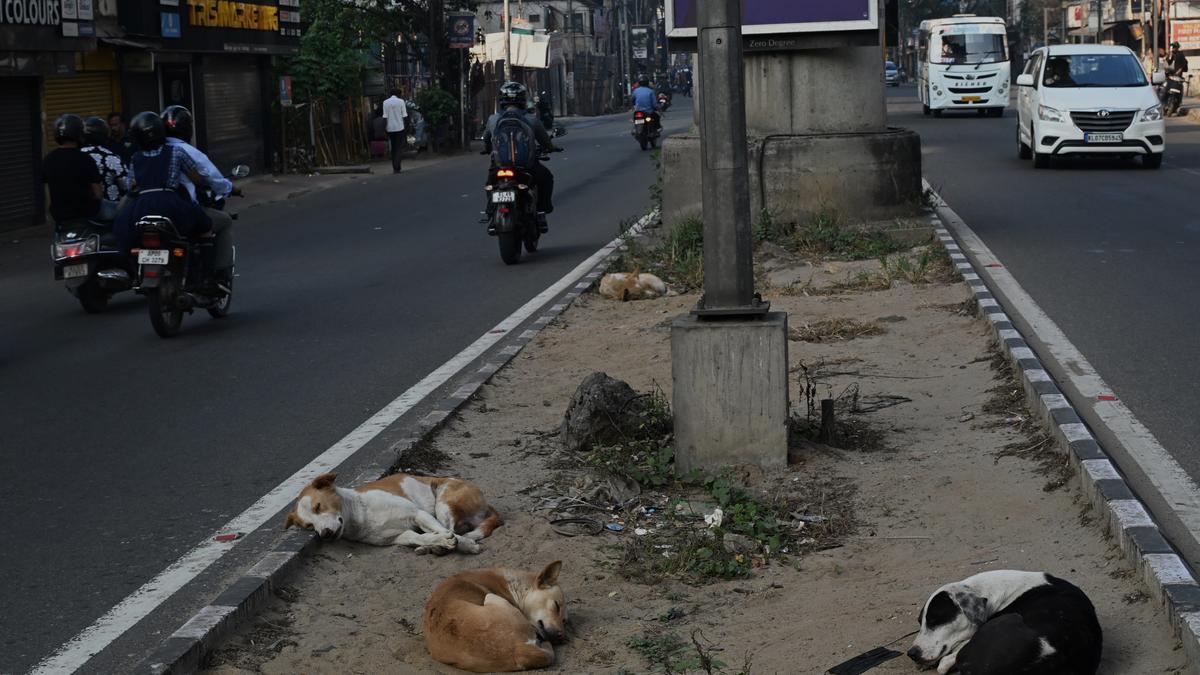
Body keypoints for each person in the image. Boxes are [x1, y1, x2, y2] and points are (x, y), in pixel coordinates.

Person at [114, 112, 211, 261]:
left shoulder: (136, 157)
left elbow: (131, 186)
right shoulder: (176, 151)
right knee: (204, 225)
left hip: (141, 206)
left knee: (123, 231)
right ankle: (206, 269)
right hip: (170, 203)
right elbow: (197, 179)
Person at [161, 105, 238, 275]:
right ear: (187, 128)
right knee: (223, 221)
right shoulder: (186, 152)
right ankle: (215, 273)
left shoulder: (148, 152)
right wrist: (231, 188)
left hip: (150, 210)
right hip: (180, 209)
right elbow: (212, 178)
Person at [480, 82, 560, 226]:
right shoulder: (531, 119)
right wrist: (551, 147)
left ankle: (490, 211)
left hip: (499, 165)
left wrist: (487, 149)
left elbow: (486, 140)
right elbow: (545, 141)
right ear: (522, 100)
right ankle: (542, 211)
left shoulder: (493, 119)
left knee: (490, 184)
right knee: (546, 178)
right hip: (525, 166)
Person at [41, 114, 102, 228]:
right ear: (79, 133)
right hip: (86, 215)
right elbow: (98, 194)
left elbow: (47, 192)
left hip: (59, 217)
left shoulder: (48, 159)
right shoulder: (85, 159)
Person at [81, 117, 131, 220]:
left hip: (81, 210)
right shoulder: (110, 157)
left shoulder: (76, 156)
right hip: (109, 213)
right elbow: (127, 185)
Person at [382, 88, 408, 174]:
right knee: (399, 147)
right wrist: (407, 127)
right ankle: (397, 166)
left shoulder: (385, 102)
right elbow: (404, 116)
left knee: (393, 147)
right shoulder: (401, 102)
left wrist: (384, 129)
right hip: (400, 128)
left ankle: (394, 167)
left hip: (390, 128)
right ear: (399, 94)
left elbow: (385, 117)